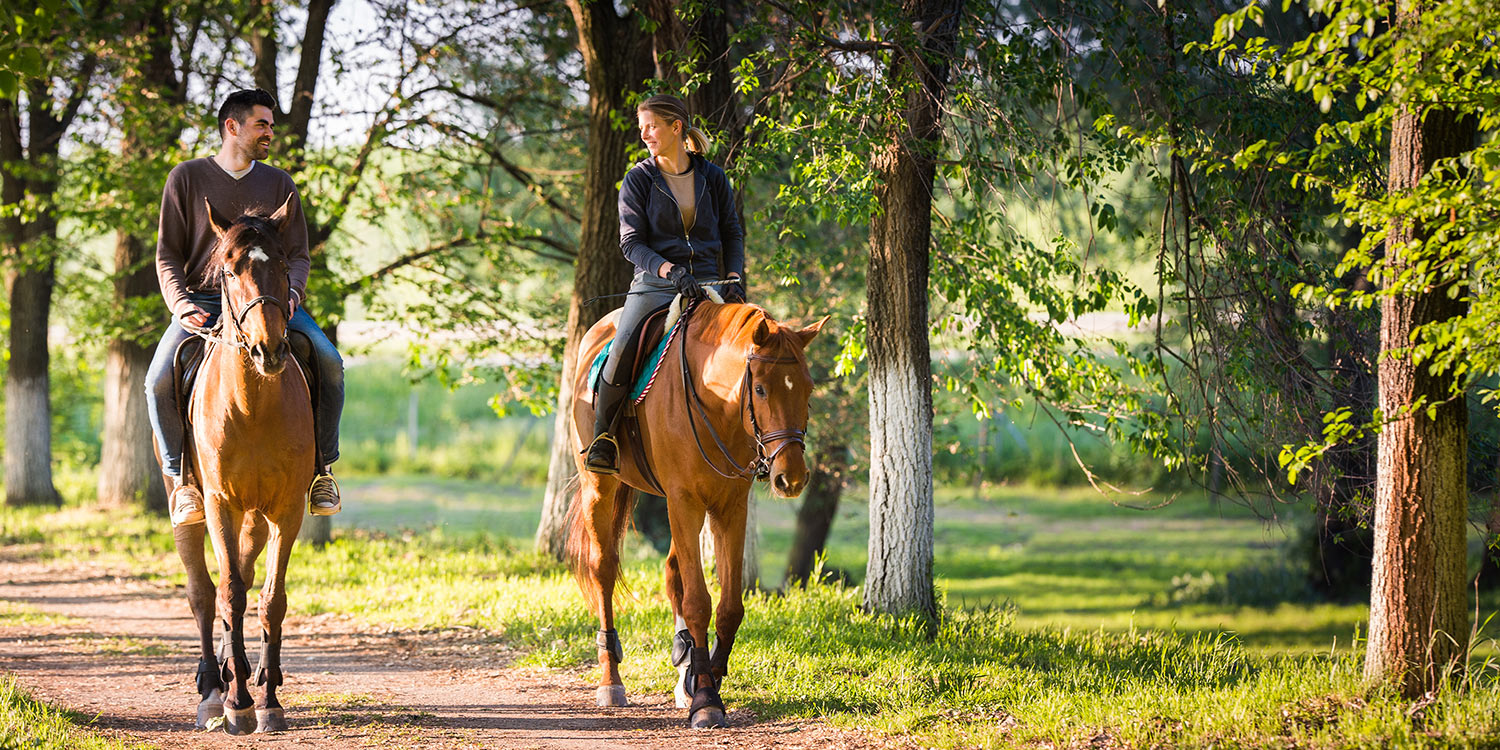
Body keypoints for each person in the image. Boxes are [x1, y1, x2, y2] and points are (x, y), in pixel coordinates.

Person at [146, 88, 345, 526]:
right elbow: (167, 255)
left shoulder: (279, 184)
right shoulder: (186, 178)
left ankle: (323, 471)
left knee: (329, 362)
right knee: (158, 380)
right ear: (231, 127)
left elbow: (298, 256)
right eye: (262, 124)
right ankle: (183, 483)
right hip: (203, 302)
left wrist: (291, 294)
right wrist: (180, 304)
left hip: (272, 302)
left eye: (271, 125)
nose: (270, 132)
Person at [584, 94, 745, 475]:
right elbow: (631, 244)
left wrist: (735, 276)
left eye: (651, 126)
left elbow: (732, 233)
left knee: (754, 347)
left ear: (676, 127)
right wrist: (670, 271)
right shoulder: (638, 180)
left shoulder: (714, 178)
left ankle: (751, 443)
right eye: (641, 128)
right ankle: (603, 438)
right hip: (656, 284)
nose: (645, 135)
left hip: (710, 282)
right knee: (622, 347)